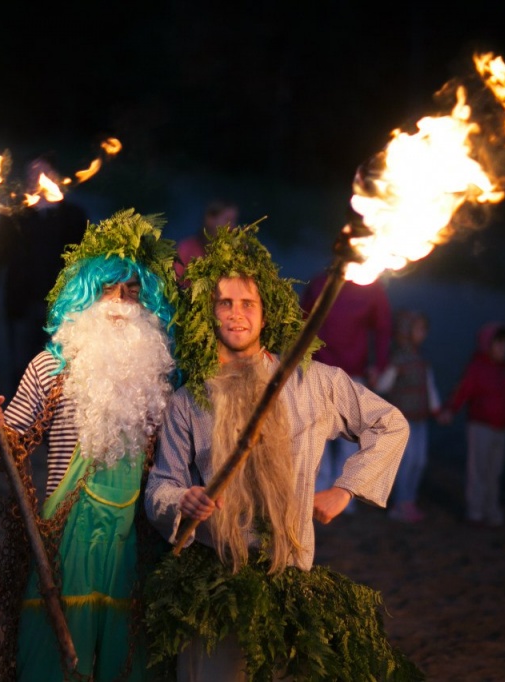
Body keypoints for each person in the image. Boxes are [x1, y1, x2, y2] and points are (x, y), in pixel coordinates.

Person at [142, 225, 421, 681]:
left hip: (289, 577)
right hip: (215, 581)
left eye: (247, 303)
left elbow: (390, 424)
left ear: (265, 312)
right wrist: (181, 500)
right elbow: (161, 485)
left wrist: (346, 489)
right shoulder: (189, 401)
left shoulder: (314, 383)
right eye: (224, 303)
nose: (236, 314)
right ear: (209, 313)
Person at [0, 209, 180, 682]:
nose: (121, 303)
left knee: (126, 658)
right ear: (84, 295)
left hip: (134, 537)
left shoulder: (161, 378)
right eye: (108, 290)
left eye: (132, 292)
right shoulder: (50, 367)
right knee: (58, 653)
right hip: (65, 537)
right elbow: (10, 448)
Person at [0, 154, 89, 395]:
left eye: (41, 172)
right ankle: (22, 414)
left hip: (62, 305)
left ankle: (52, 414)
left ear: (54, 177)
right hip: (21, 302)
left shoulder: (72, 216)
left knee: (58, 365)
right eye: (31, 173)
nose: (35, 178)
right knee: (22, 365)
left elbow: (86, 258)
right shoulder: (15, 214)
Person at [438, 323, 505, 528]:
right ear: (487, 345)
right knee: (478, 471)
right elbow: (462, 391)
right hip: (480, 427)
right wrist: (450, 409)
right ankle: (475, 512)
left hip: (501, 429)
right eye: (499, 344)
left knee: (494, 472)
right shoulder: (477, 368)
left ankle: (491, 509)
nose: (503, 348)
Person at [301, 271, 393, 506]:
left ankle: (342, 500)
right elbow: (302, 321)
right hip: (317, 370)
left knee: (350, 438)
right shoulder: (321, 283)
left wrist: (379, 365)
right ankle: (314, 496)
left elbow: (382, 327)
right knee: (316, 434)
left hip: (353, 373)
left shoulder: (370, 287)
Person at [374, 309, 441, 523]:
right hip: (403, 420)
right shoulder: (399, 360)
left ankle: (409, 500)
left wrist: (437, 409)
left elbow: (429, 386)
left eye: (424, 329)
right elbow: (384, 385)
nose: (423, 334)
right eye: (419, 329)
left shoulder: (421, 360)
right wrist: (376, 380)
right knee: (407, 460)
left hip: (420, 418)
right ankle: (400, 503)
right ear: (406, 331)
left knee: (420, 460)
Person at [173, 198, 239, 285]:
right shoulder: (186, 248)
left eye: (234, 221)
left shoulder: (236, 252)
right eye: (227, 220)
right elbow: (176, 283)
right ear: (210, 219)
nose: (233, 227)